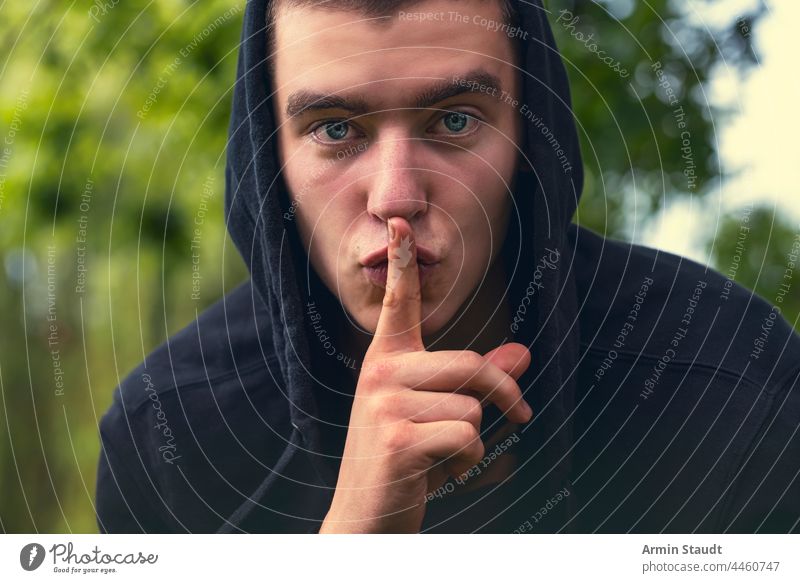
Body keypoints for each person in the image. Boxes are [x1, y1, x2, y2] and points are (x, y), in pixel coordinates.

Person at [95, 0, 800, 533]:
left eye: (455, 119)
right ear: (268, 157)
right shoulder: (169, 438)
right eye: (336, 129)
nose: (396, 195)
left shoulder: (733, 382)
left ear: (532, 129)